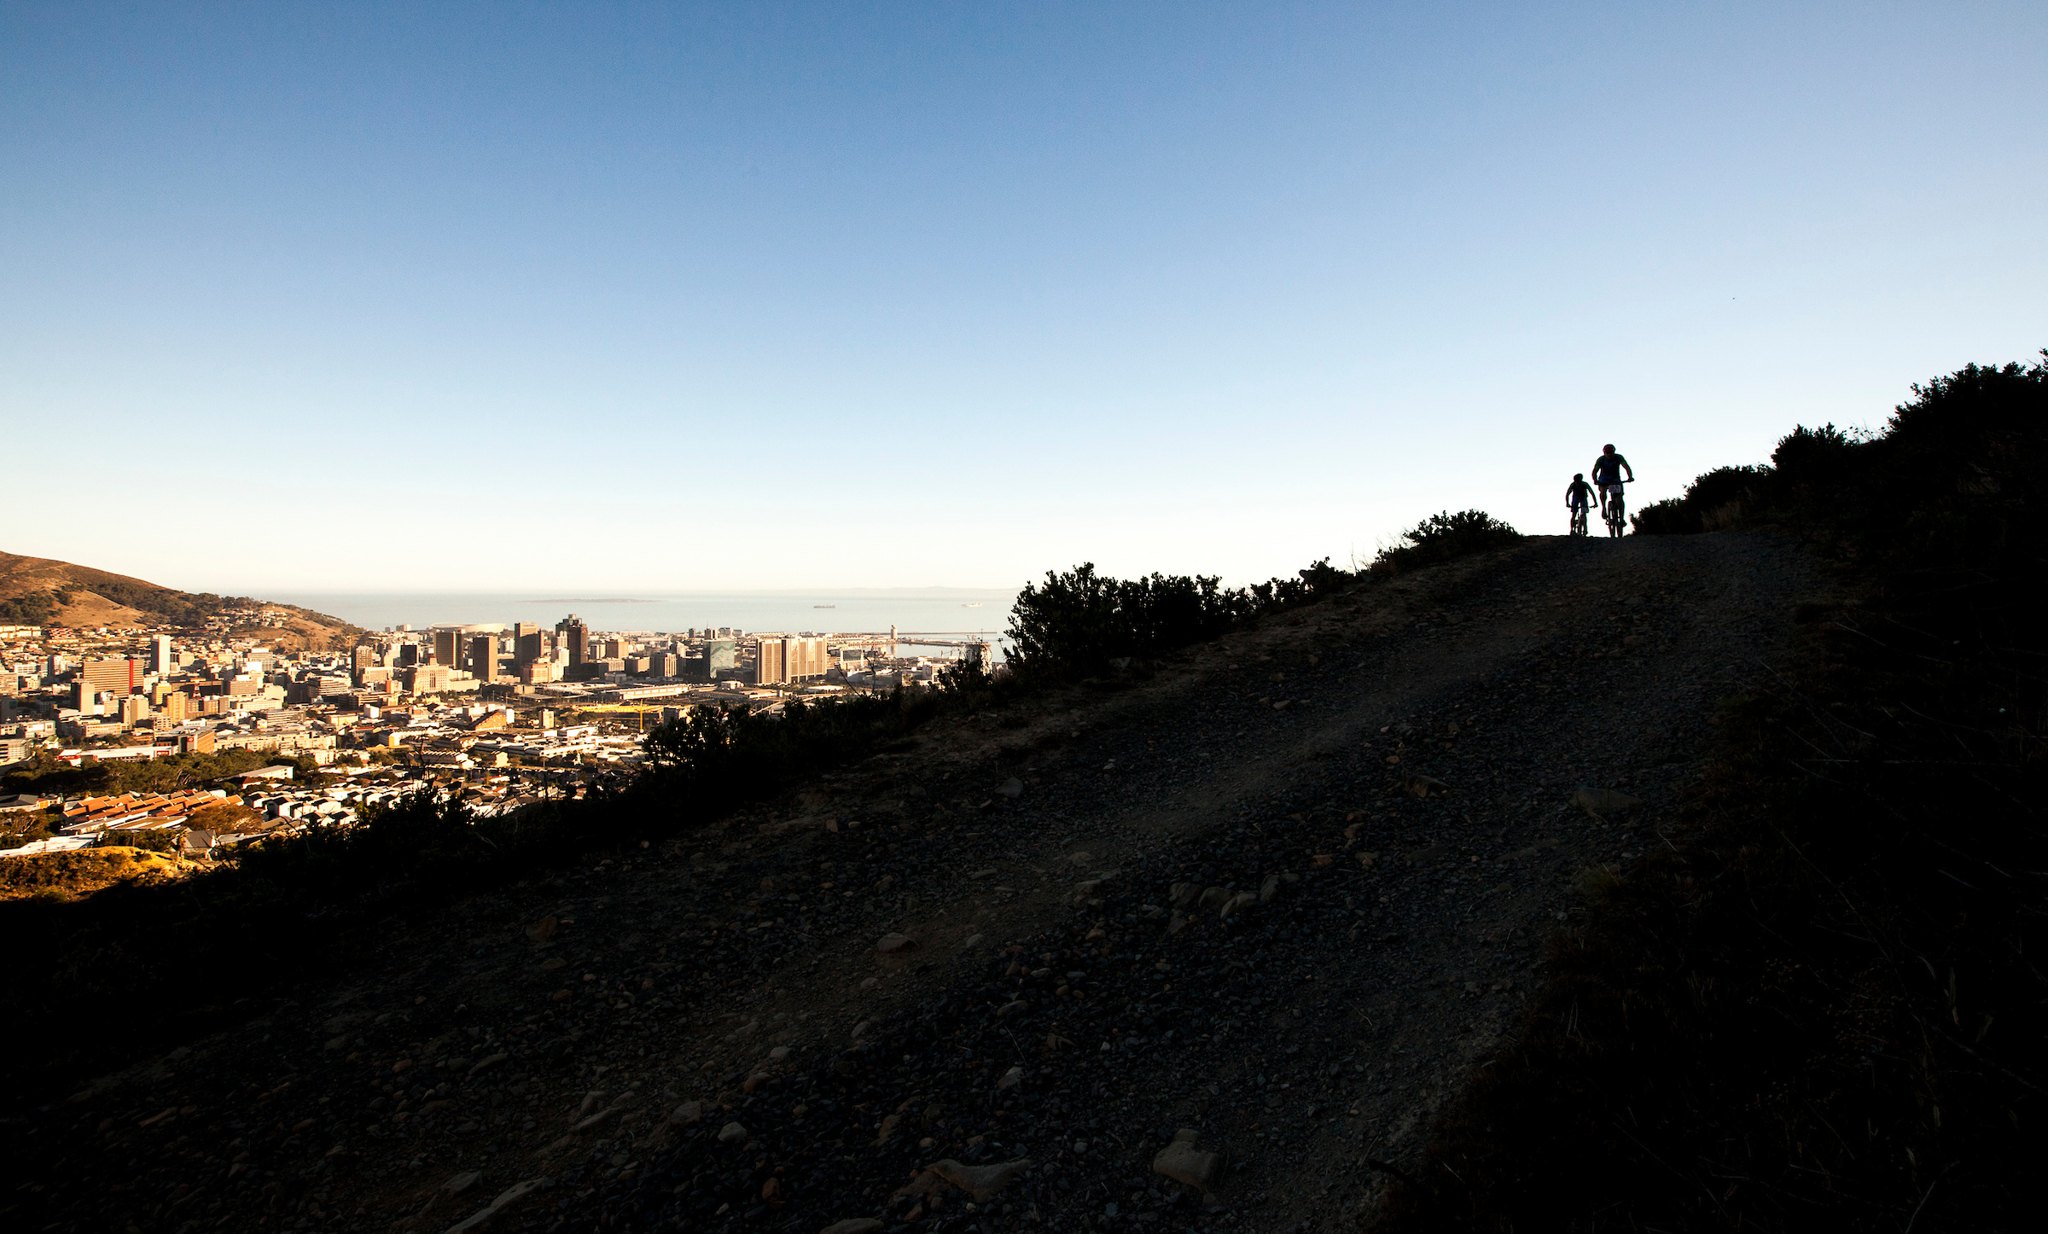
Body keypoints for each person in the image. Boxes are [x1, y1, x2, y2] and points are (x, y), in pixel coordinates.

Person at [1590, 444, 1634, 514]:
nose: (1609, 455)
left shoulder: (1619, 457)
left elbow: (1626, 467)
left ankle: (1621, 518)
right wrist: (1595, 480)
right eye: (1607, 453)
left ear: (1614, 452)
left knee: (1619, 499)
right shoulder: (1601, 459)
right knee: (1603, 492)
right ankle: (1604, 508)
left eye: (1611, 453)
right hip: (1603, 480)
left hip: (1615, 480)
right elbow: (1595, 471)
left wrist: (1630, 476)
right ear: (1604, 453)